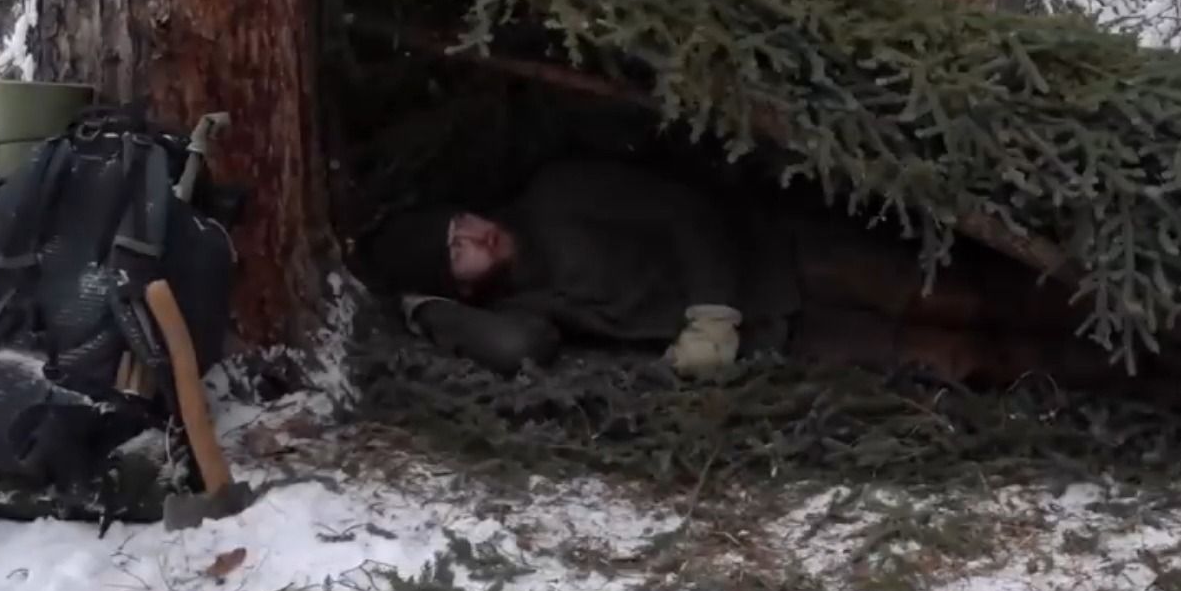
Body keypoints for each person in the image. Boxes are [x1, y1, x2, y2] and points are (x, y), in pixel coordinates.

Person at [360, 155, 1123, 389]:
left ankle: (1147, 328)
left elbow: (687, 212)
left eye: (463, 219)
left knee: (972, 299)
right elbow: (513, 352)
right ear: (459, 282)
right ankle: (1134, 380)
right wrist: (428, 309)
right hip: (785, 337)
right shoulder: (527, 304)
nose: (476, 232)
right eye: (457, 246)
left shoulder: (557, 188)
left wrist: (711, 313)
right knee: (962, 361)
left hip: (784, 259)